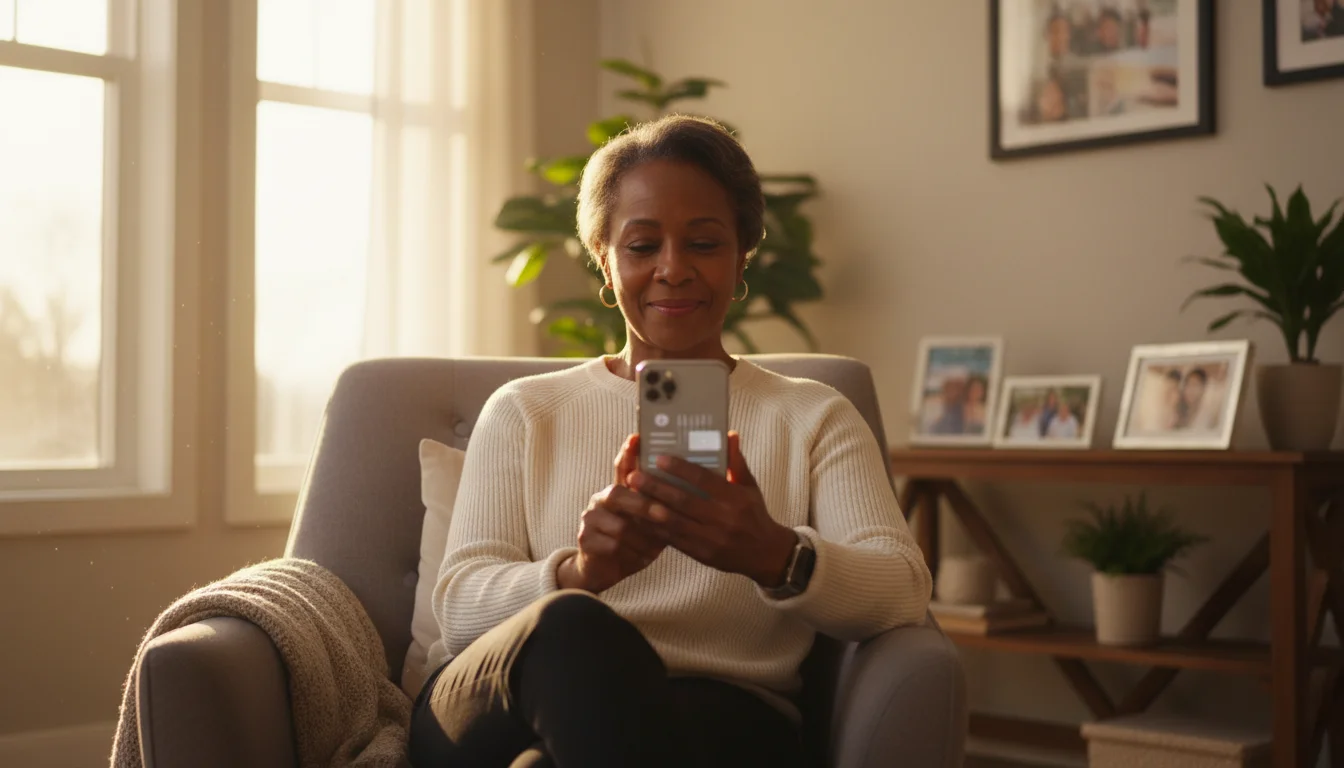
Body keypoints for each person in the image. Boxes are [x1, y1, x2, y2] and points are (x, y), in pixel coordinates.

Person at [407, 115, 933, 768]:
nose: (673, 270)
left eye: (704, 243)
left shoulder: (813, 416)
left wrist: (774, 554)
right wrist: (580, 574)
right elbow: (459, 608)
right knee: (573, 624)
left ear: (742, 256)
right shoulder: (523, 410)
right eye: (642, 245)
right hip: (497, 705)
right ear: (604, 259)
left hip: (713, 719)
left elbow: (903, 589)